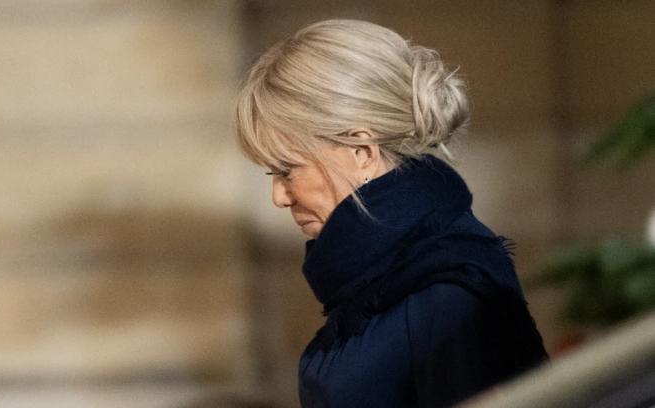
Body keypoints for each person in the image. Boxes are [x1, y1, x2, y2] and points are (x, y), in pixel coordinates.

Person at [234, 19, 548, 408]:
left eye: (287, 170)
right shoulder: (385, 282)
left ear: (361, 152)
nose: (279, 197)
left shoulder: (446, 295)